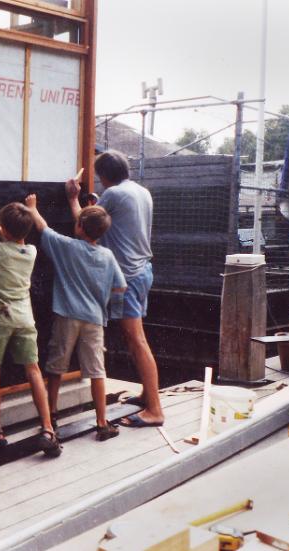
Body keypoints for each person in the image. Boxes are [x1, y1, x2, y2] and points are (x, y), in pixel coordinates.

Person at [66, 150, 165, 427]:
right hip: (144, 270)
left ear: (104, 176)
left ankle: (155, 409)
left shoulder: (113, 195)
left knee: (136, 339)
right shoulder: (141, 191)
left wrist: (73, 198)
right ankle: (148, 395)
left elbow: (85, 226)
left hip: (128, 277)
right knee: (138, 337)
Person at [0, 193, 62, 457]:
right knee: (33, 370)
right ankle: (48, 429)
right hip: (24, 318)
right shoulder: (30, 251)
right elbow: (12, 243)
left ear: (4, 230)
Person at [24, 194, 126, 440]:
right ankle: (102, 423)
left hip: (67, 315)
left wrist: (33, 208)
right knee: (96, 370)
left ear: (79, 226)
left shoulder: (67, 247)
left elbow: (44, 229)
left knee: (56, 367)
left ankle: (52, 414)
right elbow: (120, 287)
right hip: (94, 319)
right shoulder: (107, 256)